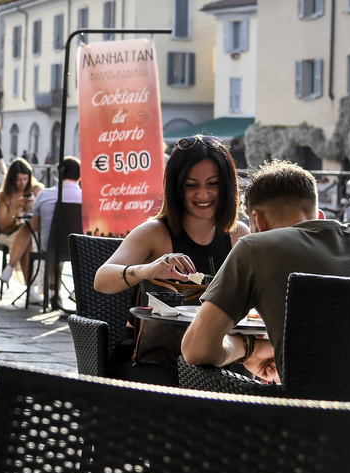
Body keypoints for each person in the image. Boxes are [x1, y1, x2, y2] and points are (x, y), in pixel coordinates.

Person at [182, 160, 350, 383]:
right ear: (319, 216)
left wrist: (246, 348)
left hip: (313, 414)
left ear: (258, 222)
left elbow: (196, 350)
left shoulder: (256, 248)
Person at [94, 135, 251, 384]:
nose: (203, 194)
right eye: (191, 185)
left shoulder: (239, 235)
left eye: (213, 183)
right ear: (176, 187)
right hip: (156, 359)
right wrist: (147, 270)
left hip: (216, 357)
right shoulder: (154, 232)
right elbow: (102, 280)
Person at [1, 157, 83, 306]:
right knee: (68, 244)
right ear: (80, 176)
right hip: (78, 249)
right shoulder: (86, 198)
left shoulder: (44, 195)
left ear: (58, 174)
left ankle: (53, 292)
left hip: (50, 247)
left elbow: (34, 226)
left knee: (54, 248)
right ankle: (78, 291)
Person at [0, 159, 43, 290]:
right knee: (27, 233)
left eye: (25, 179)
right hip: (9, 233)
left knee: (28, 234)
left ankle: (10, 268)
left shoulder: (37, 190)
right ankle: (30, 289)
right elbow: (3, 226)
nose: (22, 183)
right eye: (18, 180)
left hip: (32, 233)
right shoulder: (5, 196)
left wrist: (34, 204)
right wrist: (15, 207)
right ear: (12, 180)